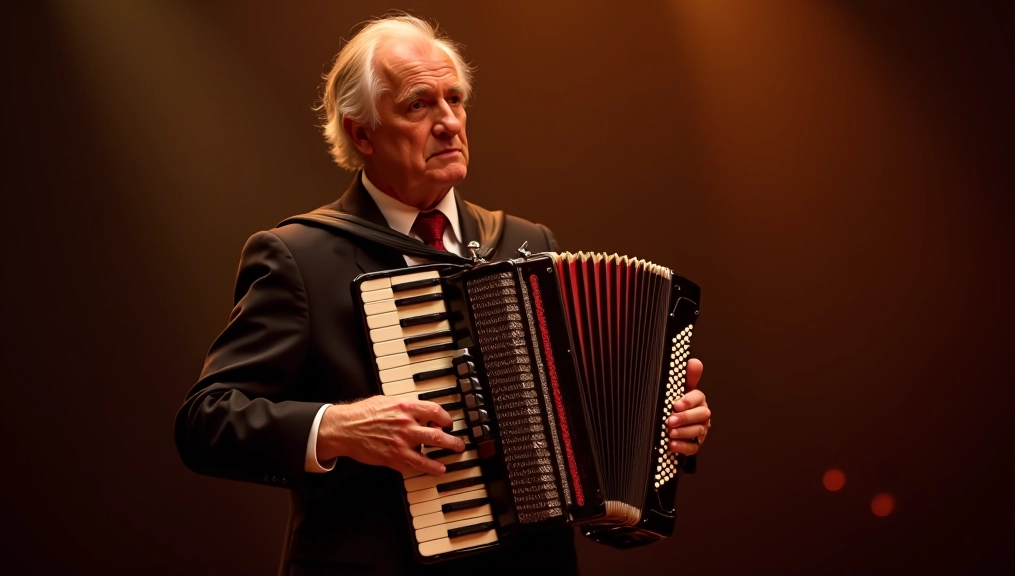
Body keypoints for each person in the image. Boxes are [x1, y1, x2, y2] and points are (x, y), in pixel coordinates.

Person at [174, 14, 712, 576]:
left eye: (455, 100)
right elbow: (206, 422)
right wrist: (335, 427)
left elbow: (582, 424)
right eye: (418, 105)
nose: (449, 122)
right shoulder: (299, 256)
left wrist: (661, 429)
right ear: (361, 133)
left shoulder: (525, 242)